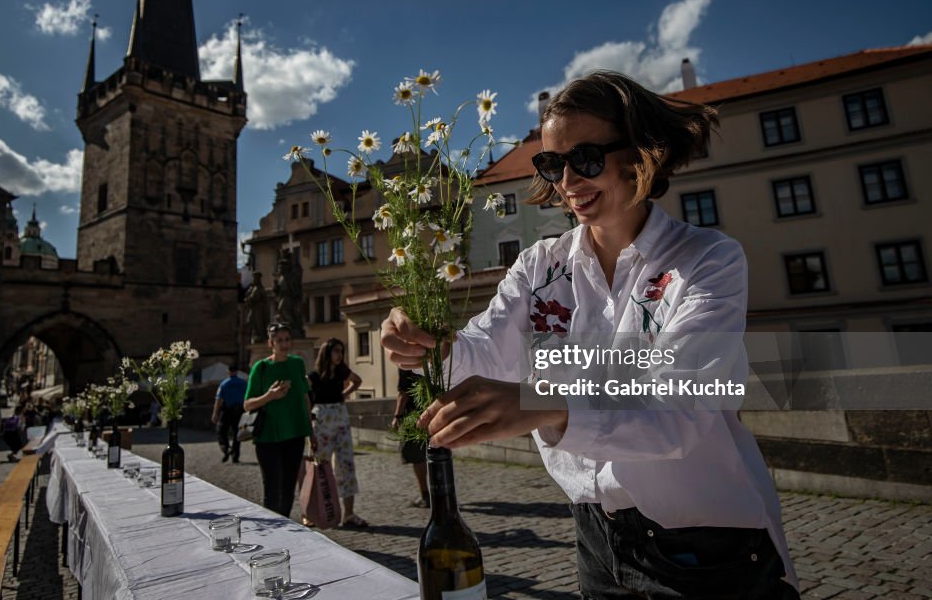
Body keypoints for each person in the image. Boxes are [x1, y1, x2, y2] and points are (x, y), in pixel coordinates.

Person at [380, 71, 800, 599]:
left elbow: (679, 410)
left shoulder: (707, 261)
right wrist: (428, 347)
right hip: (595, 534)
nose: (568, 182)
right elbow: (484, 355)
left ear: (641, 154)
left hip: (704, 541)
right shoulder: (540, 265)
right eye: (553, 164)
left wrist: (545, 404)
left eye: (586, 159)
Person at [244, 323, 315, 517]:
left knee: (288, 490)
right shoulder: (261, 368)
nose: (284, 344)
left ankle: (286, 526)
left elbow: (305, 398)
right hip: (268, 438)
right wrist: (270, 396)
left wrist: (311, 432)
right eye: (279, 340)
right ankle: (275, 532)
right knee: (273, 491)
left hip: (295, 434)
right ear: (271, 343)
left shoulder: (297, 363)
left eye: (287, 339)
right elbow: (248, 404)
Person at [308, 338, 368, 528]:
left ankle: (348, 514)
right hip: (322, 419)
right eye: (336, 351)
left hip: (340, 417)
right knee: (320, 467)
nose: (339, 355)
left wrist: (344, 394)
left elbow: (357, 380)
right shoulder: (315, 375)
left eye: (341, 351)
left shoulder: (342, 371)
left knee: (346, 464)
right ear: (327, 353)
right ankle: (315, 513)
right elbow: (307, 397)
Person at [392, 368, 430, 508]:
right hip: (432, 409)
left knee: (417, 457)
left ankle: (425, 495)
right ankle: (441, 493)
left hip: (414, 415)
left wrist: (397, 417)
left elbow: (404, 393)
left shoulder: (406, 364)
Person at [212, 364, 247, 463]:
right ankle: (235, 456)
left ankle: (226, 449)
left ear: (228, 371)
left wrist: (215, 413)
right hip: (240, 410)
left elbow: (218, 399)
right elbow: (247, 396)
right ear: (237, 371)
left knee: (221, 431)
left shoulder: (224, 384)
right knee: (237, 434)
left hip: (227, 410)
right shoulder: (243, 383)